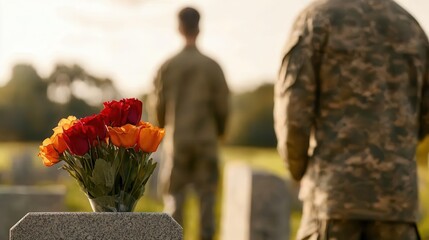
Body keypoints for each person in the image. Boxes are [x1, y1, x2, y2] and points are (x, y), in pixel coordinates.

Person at [274, 0, 429, 239]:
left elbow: (293, 115)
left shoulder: (316, 20)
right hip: (397, 205)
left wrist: (298, 170)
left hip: (333, 202)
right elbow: (425, 115)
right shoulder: (411, 28)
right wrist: (393, 154)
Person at [152, 6, 229, 240]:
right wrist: (219, 132)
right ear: (200, 26)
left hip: (178, 141)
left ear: (179, 27)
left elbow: (158, 107)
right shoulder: (213, 67)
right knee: (207, 200)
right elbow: (223, 107)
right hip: (206, 141)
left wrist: (163, 126)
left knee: (174, 198)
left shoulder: (168, 66)